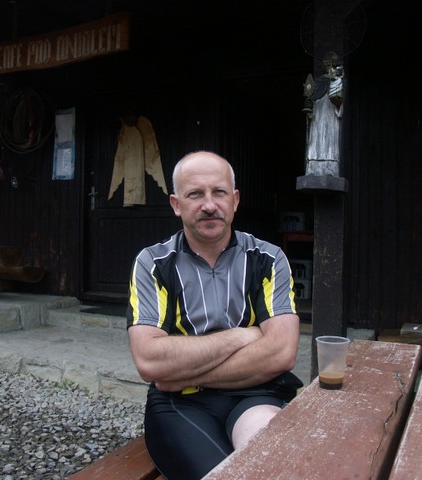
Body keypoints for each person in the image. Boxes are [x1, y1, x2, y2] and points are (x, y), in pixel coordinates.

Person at [126, 151, 302, 479]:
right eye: (195, 194)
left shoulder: (268, 258)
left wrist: (182, 374)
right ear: (176, 204)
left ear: (235, 200)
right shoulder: (152, 263)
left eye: (219, 192)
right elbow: (150, 360)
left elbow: (281, 352)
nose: (209, 205)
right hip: (180, 405)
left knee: (272, 468)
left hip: (254, 395)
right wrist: (242, 336)